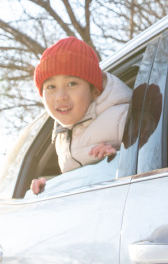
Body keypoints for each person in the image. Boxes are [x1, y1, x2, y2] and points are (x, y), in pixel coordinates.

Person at [30, 37, 132, 195]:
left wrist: (117, 156)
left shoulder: (122, 116)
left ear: (94, 91)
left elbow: (150, 163)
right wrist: (48, 185)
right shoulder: (60, 137)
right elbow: (75, 180)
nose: (60, 96)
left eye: (72, 84)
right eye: (51, 87)